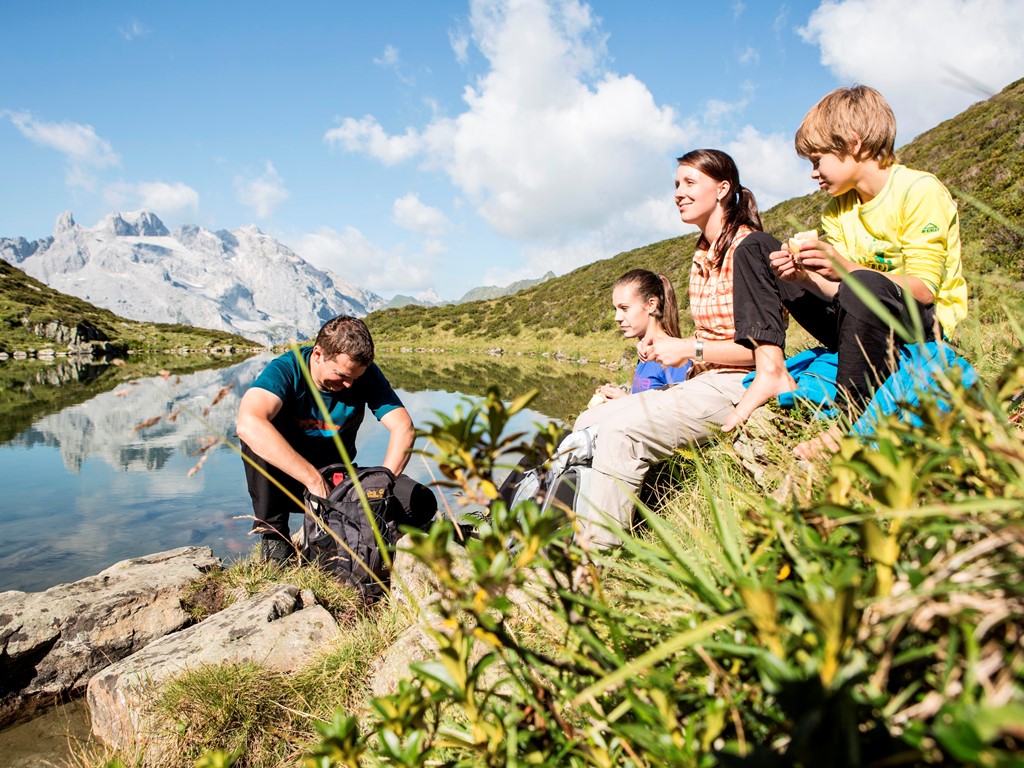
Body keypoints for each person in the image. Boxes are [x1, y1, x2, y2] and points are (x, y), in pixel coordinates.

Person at [722, 85, 968, 457]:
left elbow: (923, 291)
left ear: (853, 143)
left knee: (863, 281)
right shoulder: (837, 210)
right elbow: (839, 292)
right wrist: (803, 277)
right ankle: (770, 369)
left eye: (817, 160)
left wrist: (844, 267)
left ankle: (851, 418)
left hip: (919, 328)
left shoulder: (918, 190)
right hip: (858, 321)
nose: (813, 173)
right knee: (755, 248)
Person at [572, 149, 781, 549]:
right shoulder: (702, 254)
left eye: (689, 183)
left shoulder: (750, 248)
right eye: (675, 185)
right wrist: (683, 349)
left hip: (739, 382)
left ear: (723, 189)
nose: (678, 193)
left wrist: (689, 349)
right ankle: (576, 526)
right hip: (705, 381)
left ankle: (592, 563)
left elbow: (764, 352)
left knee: (620, 434)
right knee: (587, 422)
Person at [236, 315, 437, 564]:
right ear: (318, 354)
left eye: (355, 377)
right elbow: (248, 423)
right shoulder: (287, 369)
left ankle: (361, 532)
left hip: (337, 485)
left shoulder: (365, 377)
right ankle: (275, 537)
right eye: (342, 375)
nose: (349, 384)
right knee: (257, 440)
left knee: (420, 501)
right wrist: (312, 479)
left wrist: (382, 489)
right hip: (288, 484)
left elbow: (404, 428)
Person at [589, 269, 691, 407]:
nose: (617, 318)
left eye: (624, 308)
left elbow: (680, 415)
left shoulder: (673, 357)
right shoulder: (645, 352)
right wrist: (621, 398)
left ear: (651, 305)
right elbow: (650, 404)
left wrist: (625, 403)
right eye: (616, 309)